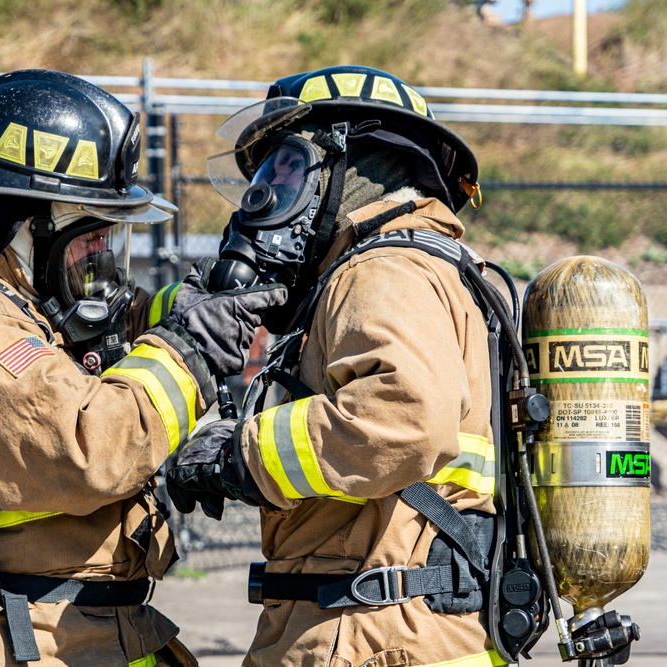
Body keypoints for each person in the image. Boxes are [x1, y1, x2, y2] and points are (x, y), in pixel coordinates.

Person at [0, 69, 286, 667]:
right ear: (23, 229)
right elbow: (93, 445)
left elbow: (99, 337)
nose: (103, 257)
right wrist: (190, 350)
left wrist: (205, 302)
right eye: (91, 237)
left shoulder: (8, 298)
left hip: (64, 634)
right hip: (6, 641)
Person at [167, 65, 504, 667]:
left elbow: (403, 417)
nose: (266, 194)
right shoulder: (431, 268)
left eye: (287, 167)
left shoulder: (381, 270)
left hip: (365, 632)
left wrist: (236, 456)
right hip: (383, 625)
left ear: (354, 168)